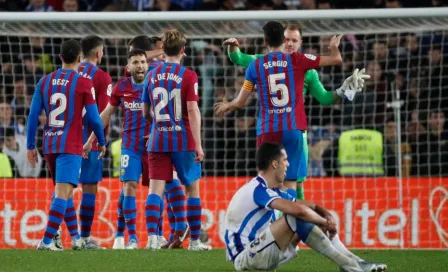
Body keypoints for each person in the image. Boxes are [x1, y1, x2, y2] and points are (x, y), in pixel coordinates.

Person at [223, 23, 369, 199]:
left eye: (294, 40)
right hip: (292, 127)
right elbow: (238, 57)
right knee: (286, 182)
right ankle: (288, 221)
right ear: (281, 40)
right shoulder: (286, 61)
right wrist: (233, 48)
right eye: (287, 39)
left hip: (277, 128)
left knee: (294, 183)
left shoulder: (306, 71)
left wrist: (342, 91)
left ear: (300, 42)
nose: (290, 44)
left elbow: (324, 98)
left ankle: (290, 221)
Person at [224, 142, 386, 271]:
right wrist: (324, 222)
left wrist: (324, 213)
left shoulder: (270, 190)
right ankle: (351, 267)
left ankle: (356, 263)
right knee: (296, 217)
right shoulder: (257, 189)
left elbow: (303, 205)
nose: (287, 164)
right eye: (285, 160)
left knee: (305, 216)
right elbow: (298, 211)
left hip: (263, 252)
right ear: (274, 164)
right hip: (245, 258)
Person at [26, 39, 106, 251]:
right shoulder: (82, 82)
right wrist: (102, 140)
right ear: (80, 58)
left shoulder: (44, 81)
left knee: (66, 191)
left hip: (49, 144)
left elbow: (33, 115)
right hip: (70, 145)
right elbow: (95, 118)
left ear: (60, 57)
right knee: (63, 193)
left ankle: (77, 239)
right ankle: (45, 242)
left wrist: (29, 145)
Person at [142, 29, 210, 251]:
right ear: (183, 50)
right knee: (192, 190)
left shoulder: (151, 74)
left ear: (163, 49)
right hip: (183, 139)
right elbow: (192, 110)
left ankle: (152, 238)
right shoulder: (189, 75)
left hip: (158, 139)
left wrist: (157, 124)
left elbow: (146, 110)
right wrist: (198, 144)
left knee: (155, 190)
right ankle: (196, 242)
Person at [84, 49, 152, 249]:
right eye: (136, 62)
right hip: (130, 146)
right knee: (129, 185)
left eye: (142, 62)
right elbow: (105, 114)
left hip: (154, 146)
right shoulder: (121, 87)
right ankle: (132, 238)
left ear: (147, 64)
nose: (140, 66)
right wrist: (90, 141)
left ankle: (150, 236)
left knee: (156, 190)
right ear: (128, 67)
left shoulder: (155, 85)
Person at [77, 35, 112, 249]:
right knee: (89, 187)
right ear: (99, 53)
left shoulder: (67, 73)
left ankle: (54, 236)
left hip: (63, 137)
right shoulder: (102, 77)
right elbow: (102, 113)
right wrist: (99, 139)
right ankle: (84, 238)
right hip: (88, 138)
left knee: (62, 187)